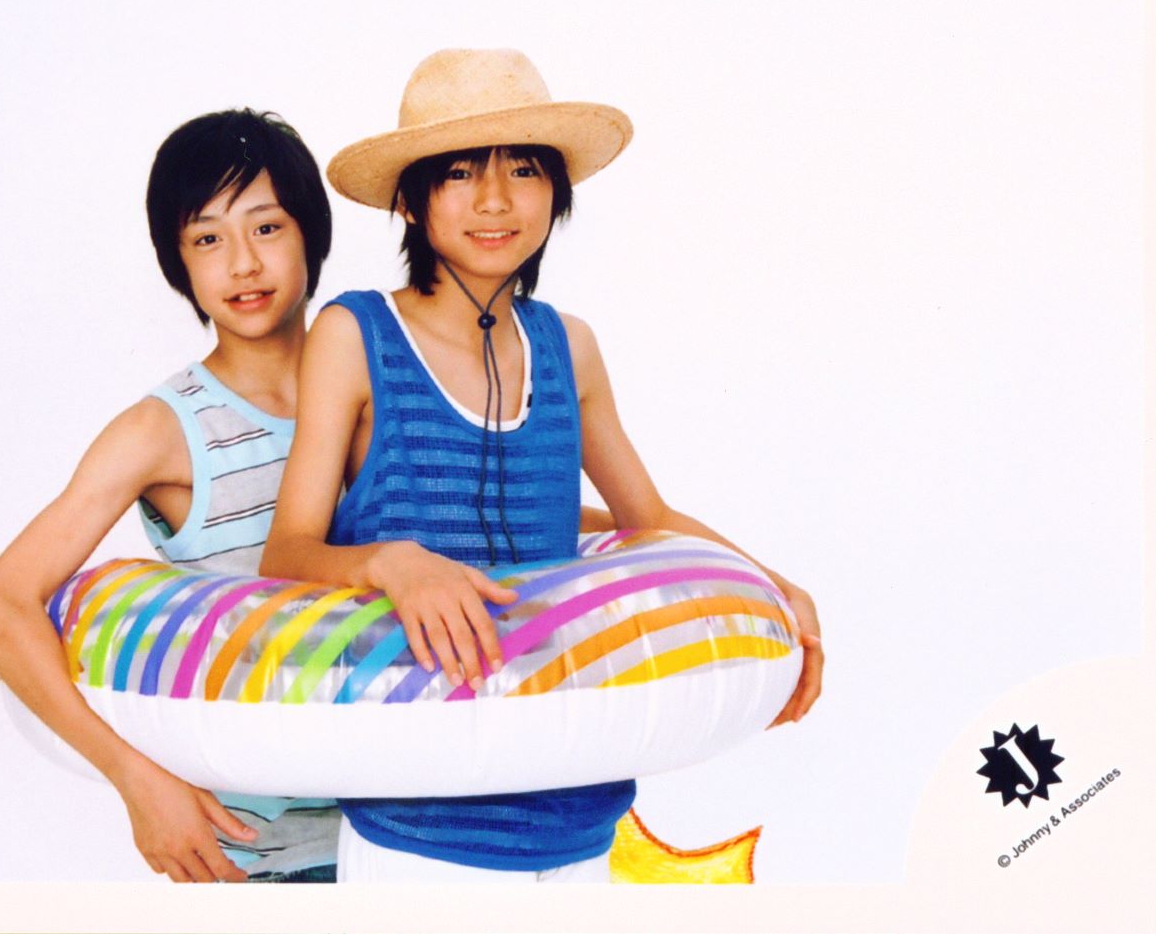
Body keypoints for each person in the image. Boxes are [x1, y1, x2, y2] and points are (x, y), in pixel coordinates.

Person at [261, 48, 825, 882]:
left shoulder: (570, 346)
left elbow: (647, 521)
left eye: (523, 170)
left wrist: (778, 586)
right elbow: (286, 552)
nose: (495, 199)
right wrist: (391, 562)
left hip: (577, 810)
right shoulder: (355, 335)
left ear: (555, 193)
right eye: (460, 172)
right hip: (417, 826)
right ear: (410, 201)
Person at [0, 108, 341, 883]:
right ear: (178, 262)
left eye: (266, 227)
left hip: (415, 827)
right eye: (207, 239)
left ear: (311, 234)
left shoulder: (372, 389)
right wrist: (135, 777)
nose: (242, 264)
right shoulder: (163, 430)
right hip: (259, 859)